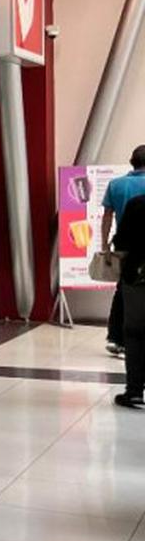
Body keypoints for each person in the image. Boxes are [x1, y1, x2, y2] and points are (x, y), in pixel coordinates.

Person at [102, 146, 145, 356]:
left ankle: (115, 337)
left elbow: (107, 216)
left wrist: (104, 245)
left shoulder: (115, 184)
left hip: (125, 244)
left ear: (132, 161)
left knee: (123, 289)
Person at [113, 196, 145, 408]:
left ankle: (134, 391)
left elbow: (121, 241)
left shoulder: (137, 204)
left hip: (137, 276)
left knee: (135, 333)